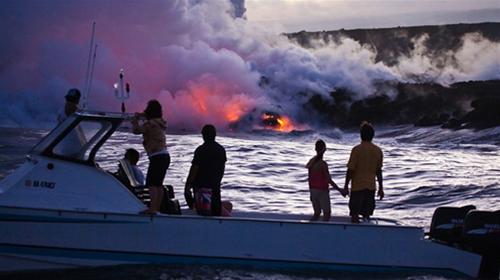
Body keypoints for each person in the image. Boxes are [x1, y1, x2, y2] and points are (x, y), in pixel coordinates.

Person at [131, 100, 170, 214]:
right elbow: (149, 116)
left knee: (152, 184)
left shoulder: (150, 124)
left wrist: (134, 121)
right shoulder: (160, 122)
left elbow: (136, 131)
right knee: (159, 184)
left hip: (156, 157)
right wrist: (140, 115)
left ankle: (152, 209)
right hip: (165, 156)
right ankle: (156, 208)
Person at [344, 121, 384, 223]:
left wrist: (346, 185)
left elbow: (351, 170)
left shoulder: (356, 150)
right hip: (371, 187)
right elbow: (378, 171)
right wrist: (381, 188)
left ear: (361, 135)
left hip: (357, 187)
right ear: (372, 135)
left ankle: (354, 235)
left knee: (355, 214)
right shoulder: (378, 151)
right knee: (367, 215)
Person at [184, 124, 227, 216]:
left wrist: (188, 185)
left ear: (203, 135)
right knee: (215, 212)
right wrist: (217, 182)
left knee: (205, 214)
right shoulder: (221, 149)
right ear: (215, 135)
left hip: (201, 188)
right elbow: (222, 169)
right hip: (215, 188)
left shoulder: (201, 150)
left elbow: (194, 169)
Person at [306, 139, 346, 221]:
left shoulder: (311, 162)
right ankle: (324, 231)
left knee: (316, 213)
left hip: (313, 191)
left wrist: (311, 192)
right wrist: (340, 190)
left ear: (315, 149)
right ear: (324, 150)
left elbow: (309, 179)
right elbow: (329, 180)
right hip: (322, 191)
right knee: (327, 214)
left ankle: (310, 228)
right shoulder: (323, 164)